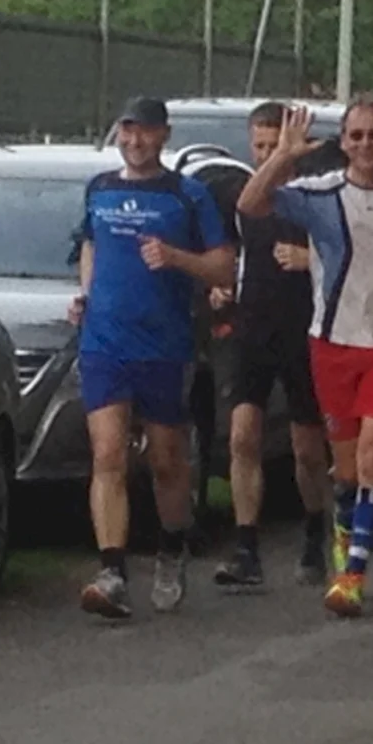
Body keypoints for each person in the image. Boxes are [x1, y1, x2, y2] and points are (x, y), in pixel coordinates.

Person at [237, 94, 373, 618]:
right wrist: (283, 156)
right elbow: (250, 204)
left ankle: (353, 574)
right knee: (347, 470)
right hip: (332, 341)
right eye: (356, 136)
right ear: (344, 143)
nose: (366, 145)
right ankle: (343, 534)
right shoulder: (320, 193)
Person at [71, 96, 235, 619]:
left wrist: (175, 257)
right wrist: (87, 296)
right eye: (127, 130)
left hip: (164, 346)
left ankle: (171, 547)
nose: (134, 141)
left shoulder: (187, 195)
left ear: (164, 135)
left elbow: (223, 268)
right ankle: (112, 573)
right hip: (104, 343)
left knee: (166, 459)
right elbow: (91, 245)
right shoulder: (100, 188)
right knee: (108, 454)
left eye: (144, 131)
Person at [210, 101, 332, 590]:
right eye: (259, 146)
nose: (265, 154)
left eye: (273, 145)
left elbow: (348, 253)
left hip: (303, 325)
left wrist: (311, 259)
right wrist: (219, 287)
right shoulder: (245, 195)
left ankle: (315, 532)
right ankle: (246, 547)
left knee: (307, 448)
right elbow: (229, 246)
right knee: (243, 435)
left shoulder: (314, 197)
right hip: (253, 324)